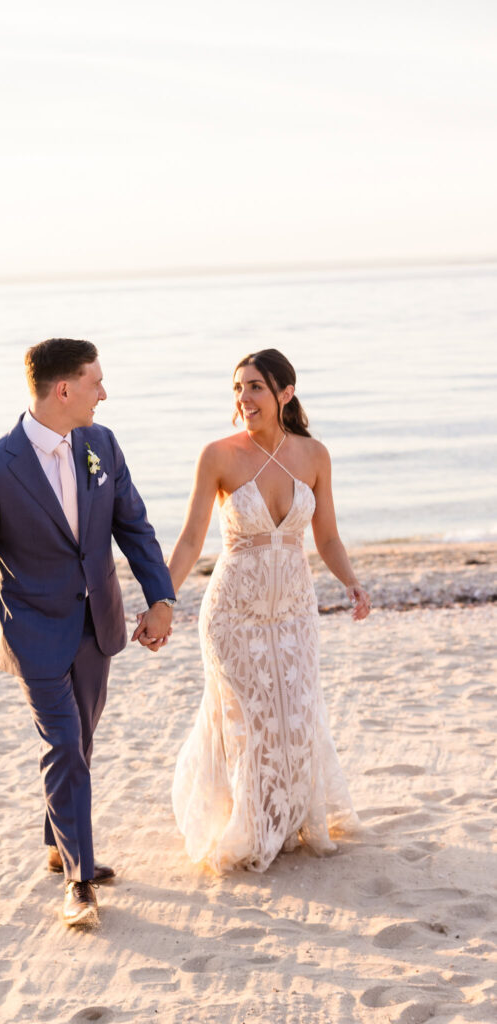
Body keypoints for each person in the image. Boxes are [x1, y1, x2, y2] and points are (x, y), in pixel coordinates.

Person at [0, 338, 175, 926]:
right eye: (96, 381)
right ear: (64, 389)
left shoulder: (101, 445)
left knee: (81, 741)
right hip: (34, 632)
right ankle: (79, 880)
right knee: (66, 745)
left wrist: (161, 597)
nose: (105, 392)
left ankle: (57, 844)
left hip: (96, 622)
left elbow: (135, 525)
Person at [167, 348, 369, 873]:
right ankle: (254, 826)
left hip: (296, 612)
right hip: (233, 614)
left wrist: (351, 583)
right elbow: (191, 540)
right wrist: (162, 600)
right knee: (251, 721)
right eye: (238, 387)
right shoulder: (218, 455)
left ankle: (293, 816)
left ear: (285, 393)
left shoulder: (315, 455)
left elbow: (326, 536)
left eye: (255, 386)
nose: (244, 397)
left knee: (296, 715)